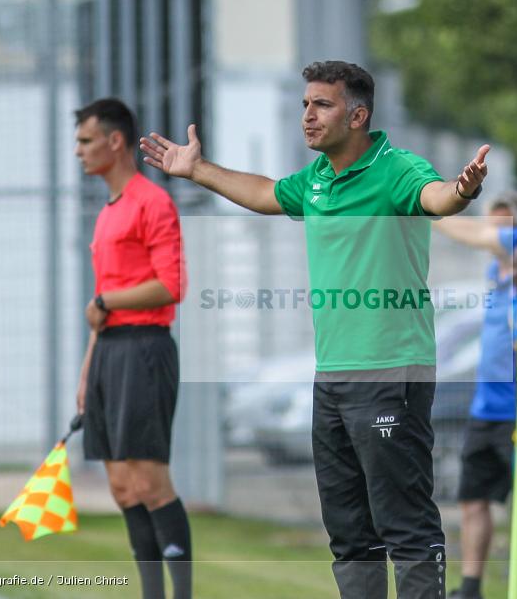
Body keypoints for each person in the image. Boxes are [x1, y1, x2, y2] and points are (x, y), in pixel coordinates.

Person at [139, 60, 489, 599]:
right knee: (349, 532)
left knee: (405, 523)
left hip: (391, 371)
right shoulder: (318, 180)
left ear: (358, 115)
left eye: (321, 105)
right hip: (333, 378)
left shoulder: (396, 168)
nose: (307, 115)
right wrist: (198, 169)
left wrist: (462, 190)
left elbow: (435, 197)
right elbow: (266, 193)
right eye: (305, 104)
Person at [73, 98, 190, 599]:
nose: (78, 151)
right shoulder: (107, 212)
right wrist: (87, 371)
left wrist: (106, 300)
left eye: (85, 140)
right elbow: (103, 308)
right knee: (121, 487)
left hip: (145, 350)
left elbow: (172, 284)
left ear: (114, 142)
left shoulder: (152, 201)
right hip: (109, 354)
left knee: (149, 482)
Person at [432, 192, 517, 599]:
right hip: (485, 407)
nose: (494, 231)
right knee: (473, 498)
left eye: (502, 223)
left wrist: (425, 207)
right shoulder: (495, 272)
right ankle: (471, 587)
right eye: (493, 222)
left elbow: (468, 232)